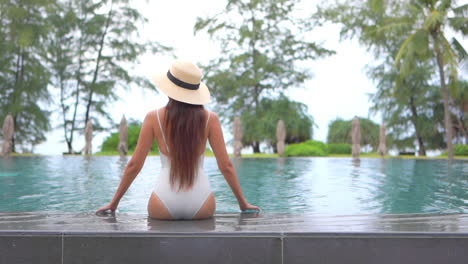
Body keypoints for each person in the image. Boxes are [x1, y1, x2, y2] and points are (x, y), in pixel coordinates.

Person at [96, 60, 260, 220]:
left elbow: (134, 165)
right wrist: (243, 203)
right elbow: (226, 166)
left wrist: (114, 203)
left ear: (169, 88)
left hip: (163, 202)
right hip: (201, 203)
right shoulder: (211, 119)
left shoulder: (154, 118)